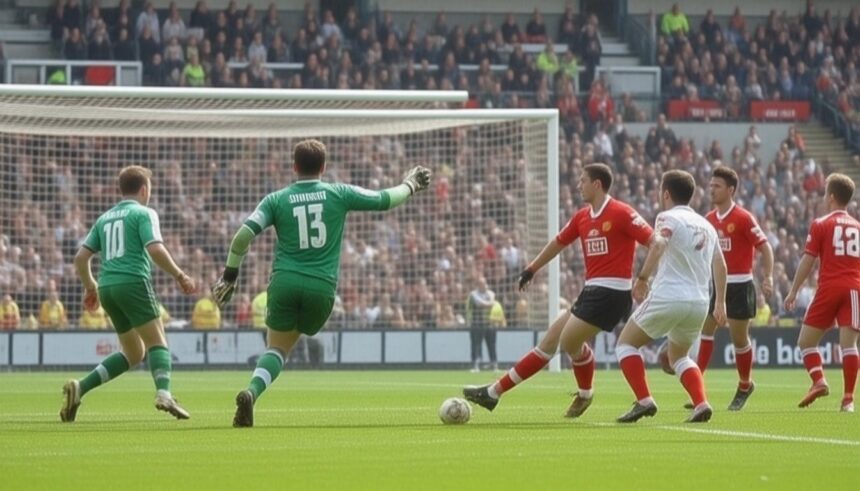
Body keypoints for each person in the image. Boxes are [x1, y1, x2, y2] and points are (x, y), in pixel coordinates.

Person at [210, 139, 431, 427]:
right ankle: (252, 393)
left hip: (284, 283)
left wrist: (230, 276)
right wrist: (411, 184)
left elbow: (242, 237)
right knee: (293, 339)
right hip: (322, 288)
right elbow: (384, 199)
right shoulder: (338, 193)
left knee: (276, 349)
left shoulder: (276, 199)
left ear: (294, 166)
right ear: (324, 167)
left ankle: (252, 392)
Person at [464, 163, 653, 418]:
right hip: (592, 292)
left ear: (597, 184)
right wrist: (531, 268)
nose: (578, 185)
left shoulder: (621, 212)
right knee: (550, 341)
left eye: (583, 181)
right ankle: (494, 393)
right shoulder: (582, 217)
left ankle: (596, 394)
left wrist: (643, 277)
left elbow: (655, 241)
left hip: (612, 293)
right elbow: (558, 243)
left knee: (566, 341)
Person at [60, 166, 197, 423]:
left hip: (108, 287)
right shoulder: (144, 213)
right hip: (133, 282)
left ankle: (80, 388)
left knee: (133, 353)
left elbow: (80, 257)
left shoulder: (105, 218)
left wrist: (91, 287)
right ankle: (164, 394)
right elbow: (155, 249)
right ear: (144, 189)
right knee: (158, 342)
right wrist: (180, 275)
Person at [615, 170, 727, 424]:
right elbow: (721, 265)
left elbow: (658, 244)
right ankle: (701, 403)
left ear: (665, 193)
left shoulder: (667, 217)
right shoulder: (708, 225)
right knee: (680, 357)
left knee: (625, 344)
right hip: (699, 302)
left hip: (669, 295)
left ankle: (644, 400)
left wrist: (642, 278)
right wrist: (719, 302)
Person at [692, 166, 774, 410]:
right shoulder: (707, 220)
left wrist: (767, 276)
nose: (711, 189)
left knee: (739, 339)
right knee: (706, 332)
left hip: (740, 285)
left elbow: (766, 247)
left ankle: (745, 384)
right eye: (710, 185)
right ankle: (698, 385)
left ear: (730, 190)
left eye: (717, 186)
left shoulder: (743, 218)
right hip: (716, 286)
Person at [784, 173, 860, 412]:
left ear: (832, 197)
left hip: (829, 287)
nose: (824, 196)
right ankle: (848, 400)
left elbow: (808, 260)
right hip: (854, 288)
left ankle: (819, 380)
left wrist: (793, 290)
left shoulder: (821, 223)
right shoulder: (858, 227)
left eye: (826, 192)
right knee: (849, 345)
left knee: (806, 342)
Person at [467, 277, 498, 372]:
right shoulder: (473, 294)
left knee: (491, 344)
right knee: (476, 344)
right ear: (478, 285)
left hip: (488, 323)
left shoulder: (490, 293)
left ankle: (494, 364)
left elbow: (492, 302)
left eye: (484, 283)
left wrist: (487, 303)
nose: (483, 285)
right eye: (481, 284)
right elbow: (479, 303)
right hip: (476, 323)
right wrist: (487, 304)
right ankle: (476, 365)